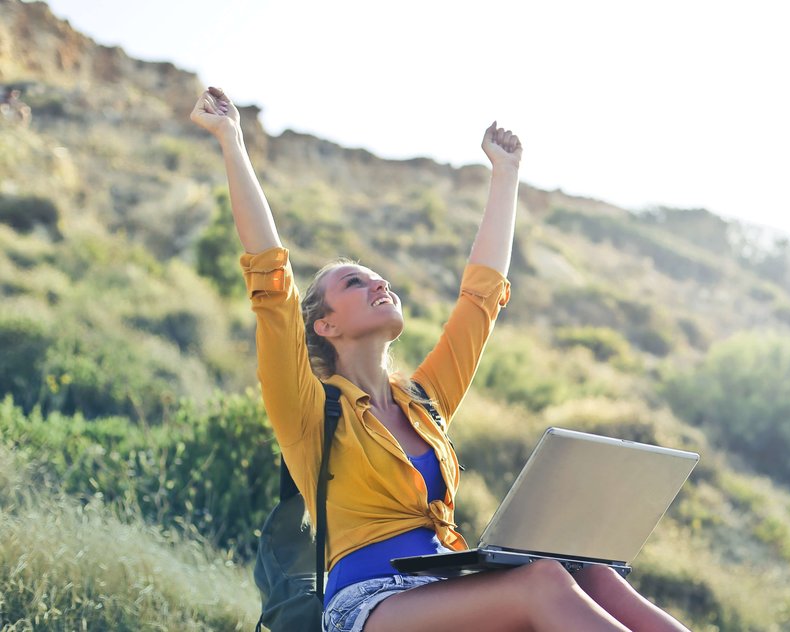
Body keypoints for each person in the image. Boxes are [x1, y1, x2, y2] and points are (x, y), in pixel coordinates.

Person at [191, 86, 690, 632]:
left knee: (587, 569)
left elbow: (480, 303)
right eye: (354, 283)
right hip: (368, 606)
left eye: (377, 276)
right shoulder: (309, 411)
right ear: (325, 325)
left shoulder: (424, 402)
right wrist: (232, 141)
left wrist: (506, 174)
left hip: (446, 587)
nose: (379, 281)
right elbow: (272, 286)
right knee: (543, 582)